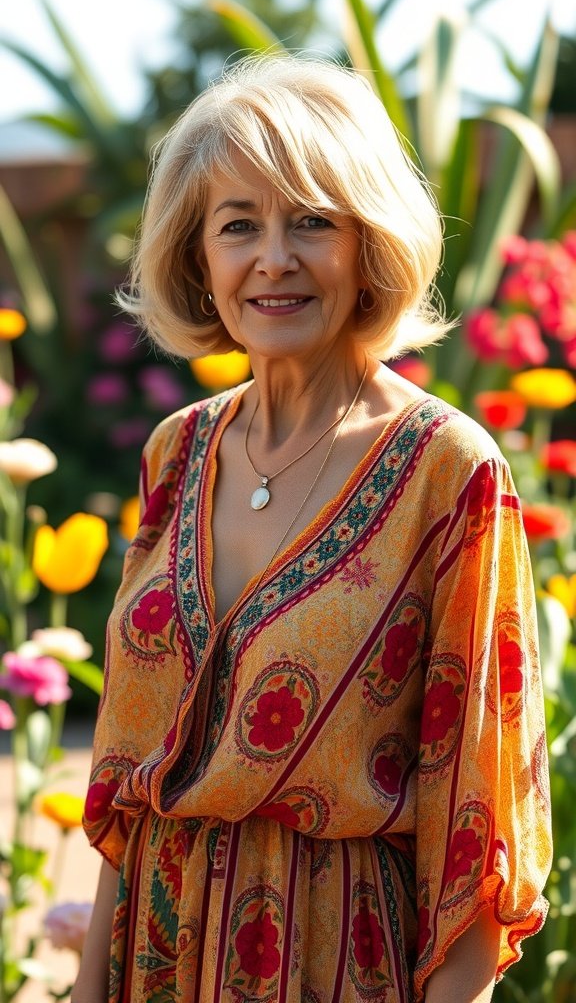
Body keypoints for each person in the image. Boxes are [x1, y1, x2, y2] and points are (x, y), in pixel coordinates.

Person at [73, 54, 552, 1003]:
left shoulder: (447, 472)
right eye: (239, 225)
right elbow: (132, 777)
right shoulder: (178, 453)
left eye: (313, 223)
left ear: (368, 244)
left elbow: (478, 823)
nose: (274, 259)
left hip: (334, 960)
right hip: (154, 957)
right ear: (197, 256)